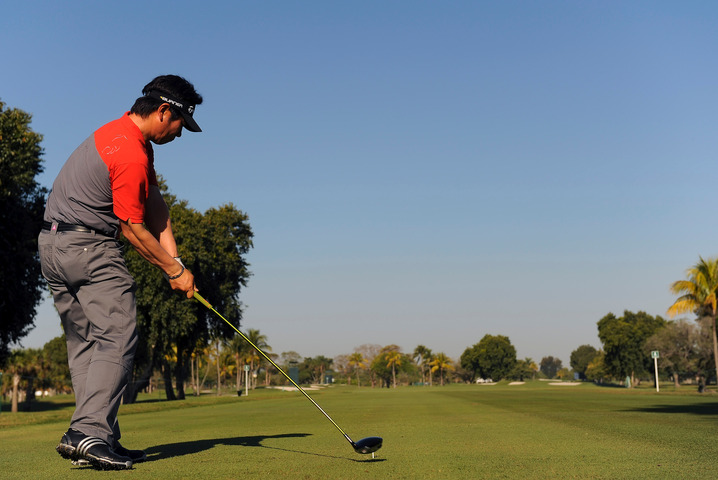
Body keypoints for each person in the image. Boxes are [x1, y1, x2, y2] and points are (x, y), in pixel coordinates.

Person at [38, 75, 202, 470]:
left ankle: (96, 439)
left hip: (52, 246)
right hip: (90, 248)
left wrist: (175, 261)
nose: (180, 133)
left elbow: (155, 203)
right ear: (163, 111)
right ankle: (88, 432)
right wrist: (173, 272)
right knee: (119, 334)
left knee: (86, 344)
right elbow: (131, 227)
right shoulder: (130, 153)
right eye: (180, 123)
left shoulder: (119, 133)